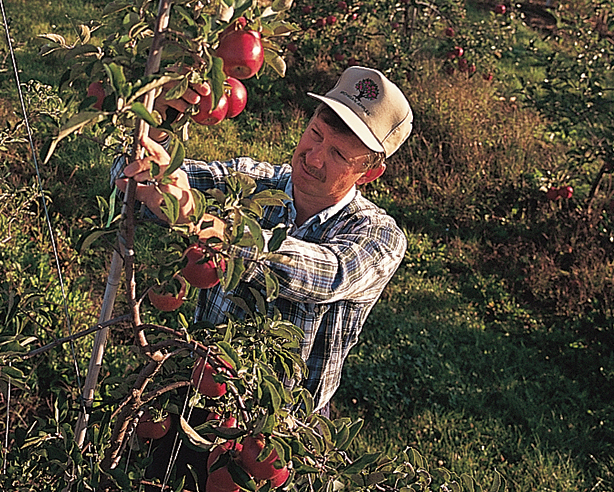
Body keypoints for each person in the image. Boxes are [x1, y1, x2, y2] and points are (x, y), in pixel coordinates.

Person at [117, 65, 413, 413]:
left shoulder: (379, 236)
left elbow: (325, 274)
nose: (314, 157)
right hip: (197, 392)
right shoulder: (250, 182)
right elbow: (125, 183)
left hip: (281, 433)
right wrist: (155, 128)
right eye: (316, 134)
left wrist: (207, 223)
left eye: (338, 155)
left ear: (371, 172)